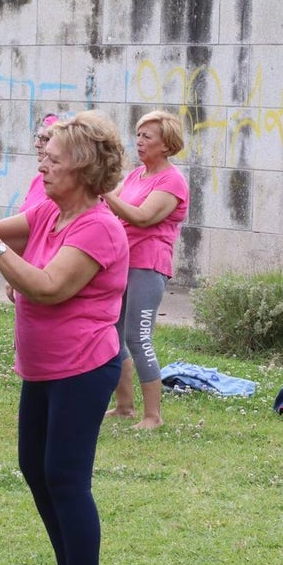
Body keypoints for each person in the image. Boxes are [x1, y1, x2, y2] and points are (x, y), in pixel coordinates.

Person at [0, 110, 128, 565]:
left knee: (65, 477)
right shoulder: (46, 213)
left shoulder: (99, 227)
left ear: (83, 167)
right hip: (42, 368)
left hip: (83, 368)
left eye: (54, 160)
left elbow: (49, 286)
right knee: (35, 468)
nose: (43, 166)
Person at [103, 110, 189, 430]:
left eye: (147, 136)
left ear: (166, 144)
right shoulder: (137, 175)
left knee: (138, 338)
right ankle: (124, 407)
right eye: (138, 134)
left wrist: (105, 192)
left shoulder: (172, 181)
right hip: (121, 261)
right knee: (113, 334)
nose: (139, 141)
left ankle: (153, 416)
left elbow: (141, 217)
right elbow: (110, 210)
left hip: (148, 264)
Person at [20, 113, 59, 214]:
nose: (37, 144)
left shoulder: (65, 187)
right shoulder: (38, 179)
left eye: (45, 139)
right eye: (38, 137)